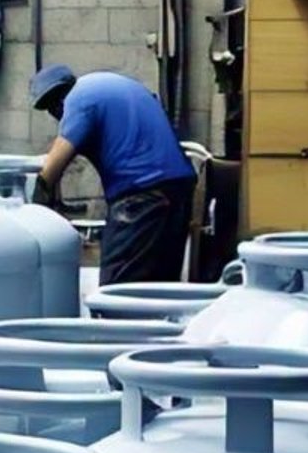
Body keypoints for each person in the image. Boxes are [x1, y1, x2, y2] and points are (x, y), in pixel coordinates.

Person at [29, 63, 196, 286]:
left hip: (143, 196)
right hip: (178, 187)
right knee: (161, 288)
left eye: (52, 107)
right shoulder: (107, 86)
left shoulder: (79, 100)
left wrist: (36, 206)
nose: (55, 115)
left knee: (116, 290)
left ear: (59, 98)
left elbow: (53, 166)